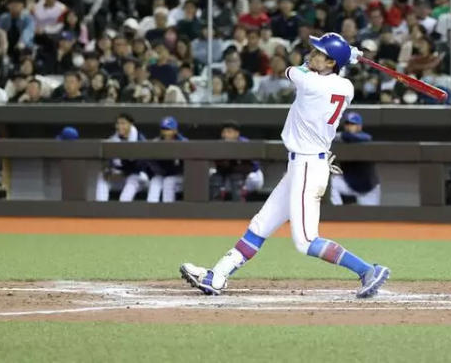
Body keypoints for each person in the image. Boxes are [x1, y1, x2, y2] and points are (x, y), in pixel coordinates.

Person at [180, 32, 390, 299]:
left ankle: (368, 271)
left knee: (305, 241)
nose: (312, 55)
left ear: (330, 64)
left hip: (308, 166)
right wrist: (347, 55)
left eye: (319, 54)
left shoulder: (308, 81)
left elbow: (294, 68)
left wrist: (348, 54)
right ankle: (217, 276)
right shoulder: (346, 87)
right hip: (302, 166)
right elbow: (326, 68)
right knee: (260, 225)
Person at [330, 112, 380, 206]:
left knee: (370, 219)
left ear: (359, 126)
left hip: (368, 188)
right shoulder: (341, 141)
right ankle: (338, 213)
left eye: (352, 124)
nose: (349, 126)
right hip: (350, 184)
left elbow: (365, 137)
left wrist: (340, 136)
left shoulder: (365, 138)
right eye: (347, 123)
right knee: (331, 182)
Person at [96, 113, 149, 202]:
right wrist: (109, 169)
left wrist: (124, 171)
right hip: (121, 175)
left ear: (130, 124)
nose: (120, 126)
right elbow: (109, 161)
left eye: (123, 123)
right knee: (102, 177)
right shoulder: (114, 139)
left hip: (139, 177)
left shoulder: (140, 139)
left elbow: (141, 166)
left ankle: (123, 211)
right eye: (118, 123)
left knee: (132, 182)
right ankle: (100, 209)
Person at [145, 116, 187, 203]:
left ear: (175, 130)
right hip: (163, 174)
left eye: (168, 129)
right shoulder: (156, 143)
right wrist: (160, 171)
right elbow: (151, 162)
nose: (165, 132)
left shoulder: (183, 142)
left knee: (169, 181)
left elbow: (187, 166)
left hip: (180, 177)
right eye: (163, 129)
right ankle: (150, 213)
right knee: (155, 182)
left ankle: (168, 213)